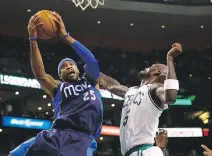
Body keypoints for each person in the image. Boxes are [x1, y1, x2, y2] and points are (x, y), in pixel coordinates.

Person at [9, 11, 103, 156]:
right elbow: (40, 75)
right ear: (60, 75)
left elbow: (91, 61)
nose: (69, 66)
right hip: (56, 136)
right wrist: (33, 40)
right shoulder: (58, 86)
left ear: (78, 69)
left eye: (71, 64)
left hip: (83, 140)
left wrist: (66, 36)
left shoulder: (91, 81)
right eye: (64, 66)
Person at [99, 43, 182, 156]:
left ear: (156, 72)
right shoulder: (131, 91)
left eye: (151, 66)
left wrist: (170, 59)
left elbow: (171, 97)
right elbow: (110, 85)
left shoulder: (154, 89)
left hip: (146, 151)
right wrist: (91, 66)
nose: (146, 67)